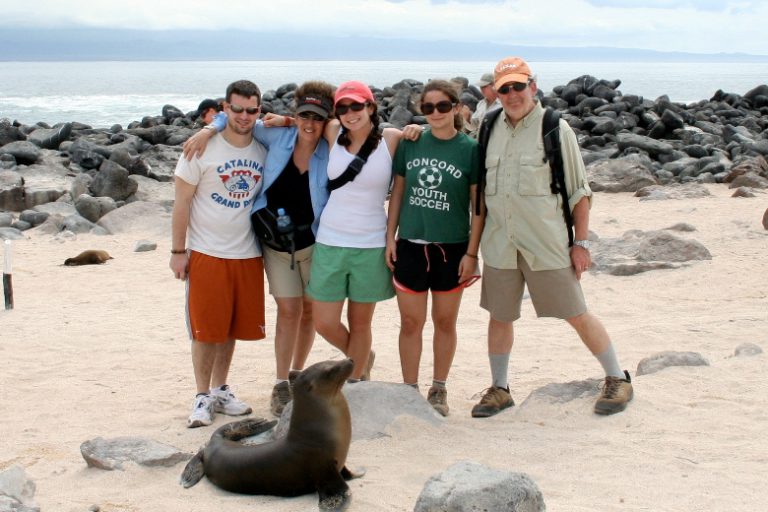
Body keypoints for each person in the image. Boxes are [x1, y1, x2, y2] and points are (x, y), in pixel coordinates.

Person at [472, 57, 633, 418]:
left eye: (518, 86)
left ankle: (617, 377)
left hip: (546, 243)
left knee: (576, 312)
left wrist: (582, 243)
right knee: (499, 317)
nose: (512, 94)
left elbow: (580, 192)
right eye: (504, 88)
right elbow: (477, 188)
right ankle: (500, 389)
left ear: (533, 86)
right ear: (495, 93)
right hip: (500, 243)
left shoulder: (554, 129)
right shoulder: (487, 126)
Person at [184, 81, 336, 416]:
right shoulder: (276, 137)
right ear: (294, 115)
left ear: (327, 120)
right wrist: (209, 128)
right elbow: (241, 119)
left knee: (310, 311)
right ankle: (281, 382)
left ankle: (298, 374)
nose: (310, 123)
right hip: (276, 246)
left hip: (316, 243)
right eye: (303, 115)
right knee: (289, 311)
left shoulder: (331, 146)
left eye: (317, 118)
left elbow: (362, 131)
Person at [170, 79, 267, 428]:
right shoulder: (200, 149)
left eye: (251, 110)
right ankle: (201, 395)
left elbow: (294, 127)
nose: (244, 116)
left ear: (259, 110)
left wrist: (214, 126)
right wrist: (178, 251)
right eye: (236, 109)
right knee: (205, 330)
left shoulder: (262, 147)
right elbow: (181, 202)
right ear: (225, 109)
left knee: (230, 329)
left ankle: (221, 389)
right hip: (207, 251)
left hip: (248, 252)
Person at [386, 79, 483, 416]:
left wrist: (472, 253)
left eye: (443, 106)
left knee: (445, 322)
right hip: (411, 245)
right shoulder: (411, 142)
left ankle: (438, 388)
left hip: (452, 248)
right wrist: (390, 237)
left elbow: (478, 207)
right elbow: (397, 192)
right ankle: (409, 390)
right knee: (411, 324)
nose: (436, 113)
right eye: (428, 108)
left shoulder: (469, 149)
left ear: (456, 108)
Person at [305, 80, 404, 382]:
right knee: (324, 322)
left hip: (371, 244)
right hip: (330, 240)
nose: (350, 113)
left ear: (370, 107)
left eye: (357, 106)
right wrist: (209, 127)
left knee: (361, 324)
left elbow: (427, 138)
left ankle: (355, 380)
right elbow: (304, 124)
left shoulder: (392, 139)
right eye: (343, 108)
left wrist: (391, 238)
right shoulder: (333, 132)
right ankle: (362, 358)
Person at [461, 72, 501, 139]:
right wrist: (466, 118)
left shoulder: (502, 105)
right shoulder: (481, 104)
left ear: (494, 86)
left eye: (484, 86)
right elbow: (474, 126)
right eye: (480, 86)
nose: (481, 89)